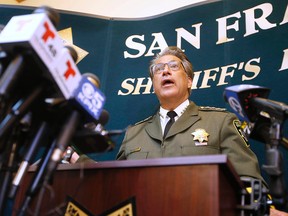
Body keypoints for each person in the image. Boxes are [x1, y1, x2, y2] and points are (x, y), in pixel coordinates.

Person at [116, 46, 288, 215]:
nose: (165, 71)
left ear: (189, 80)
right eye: (158, 69)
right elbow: (113, 190)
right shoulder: (134, 133)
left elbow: (249, 182)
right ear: (154, 84)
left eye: (174, 66)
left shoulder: (221, 122)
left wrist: (264, 211)